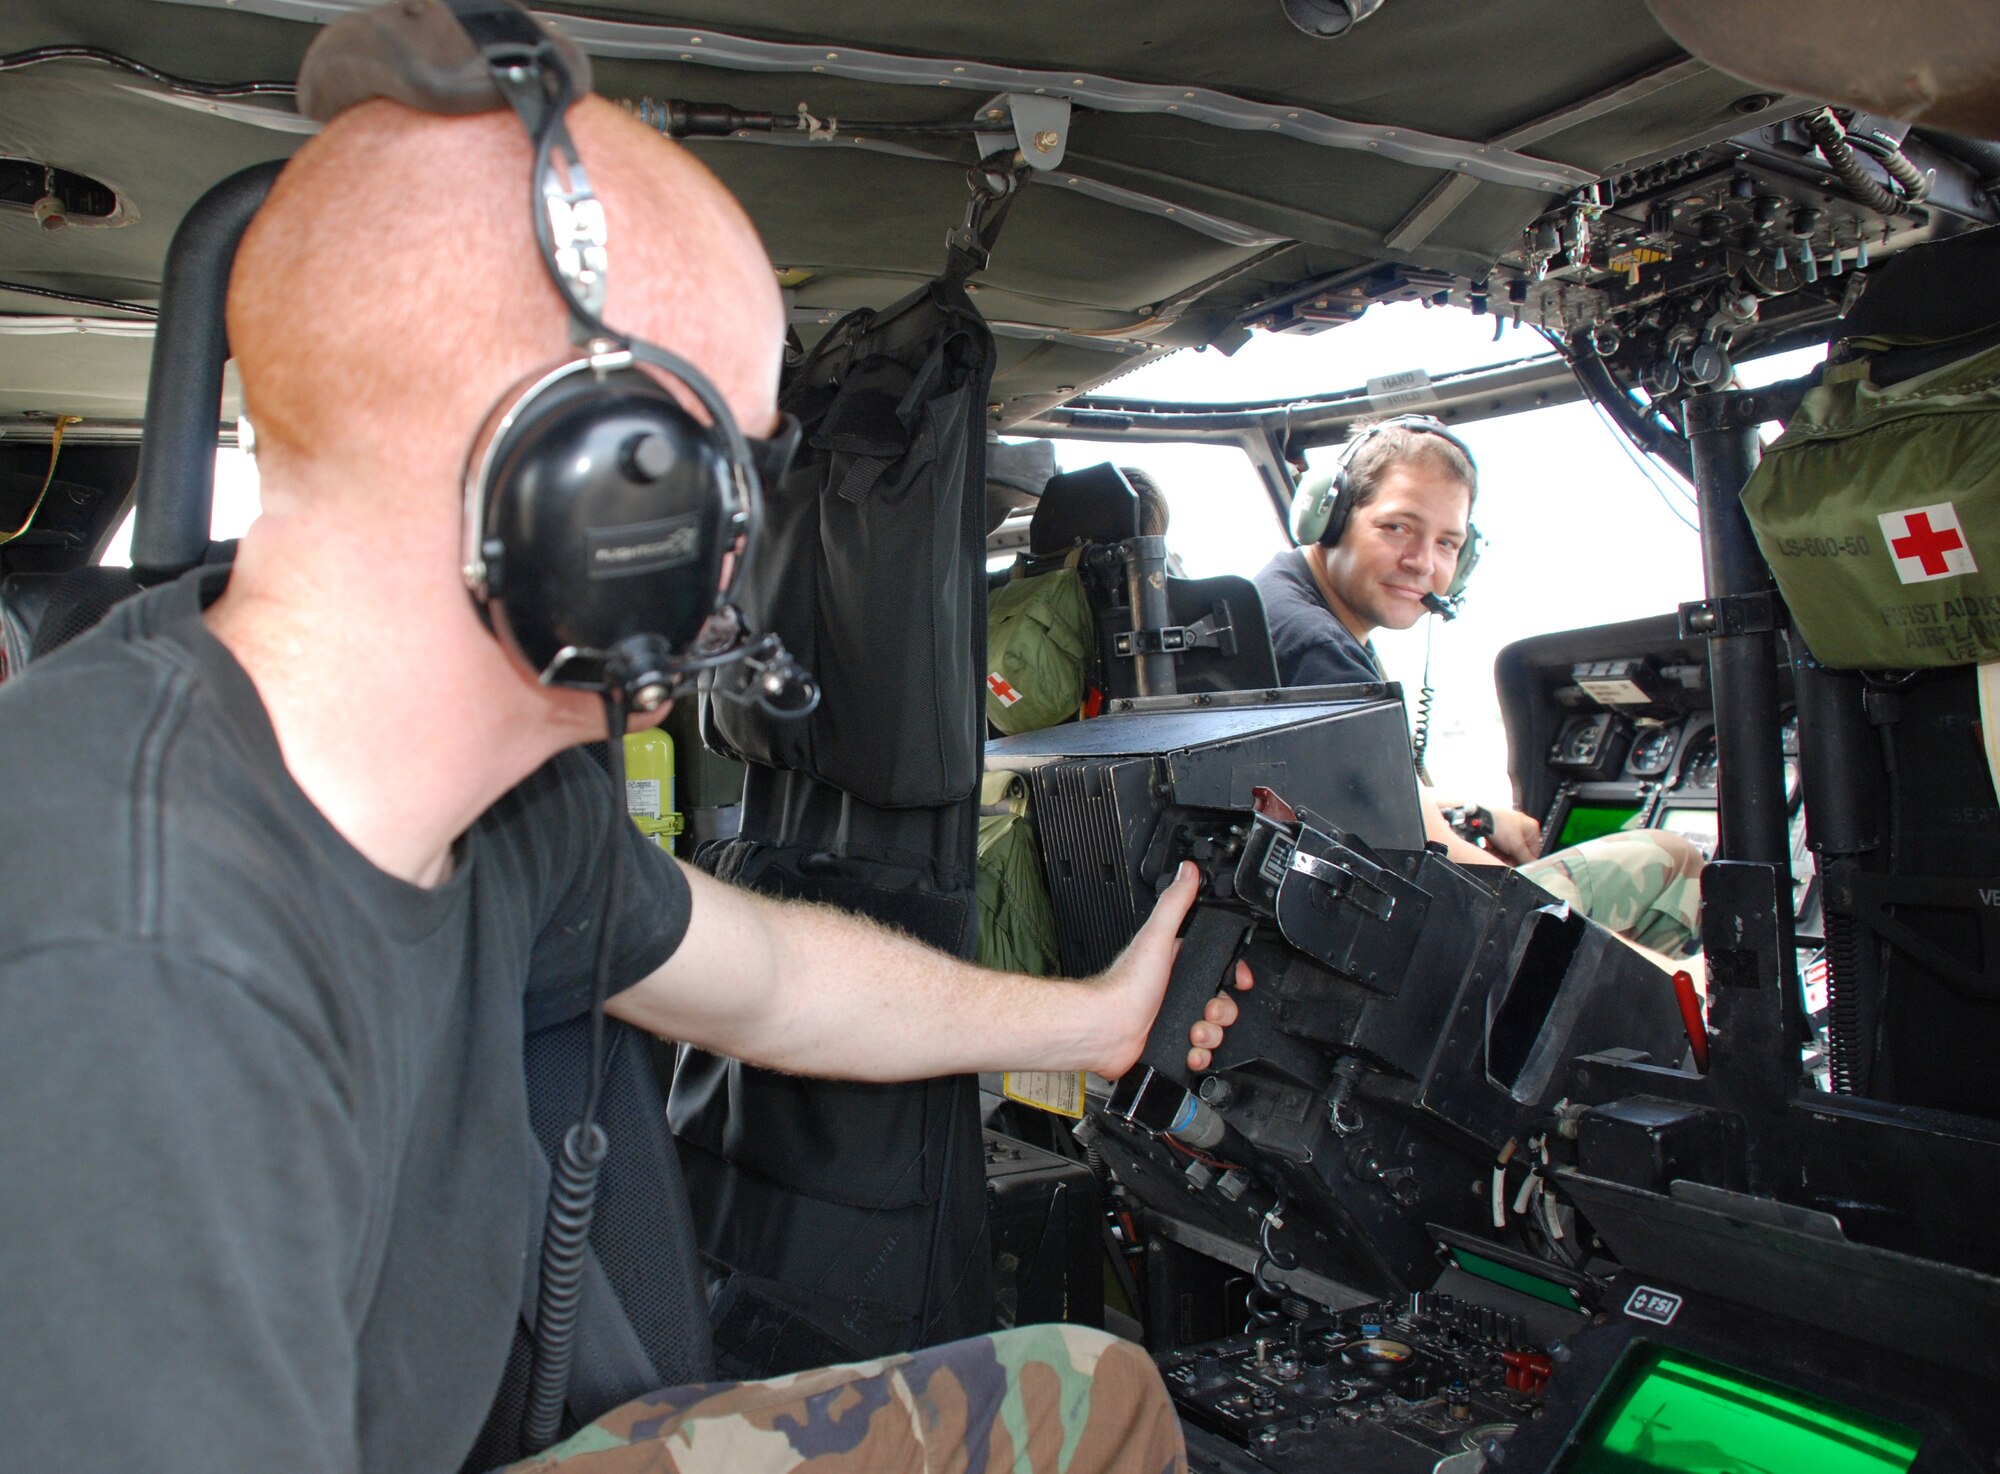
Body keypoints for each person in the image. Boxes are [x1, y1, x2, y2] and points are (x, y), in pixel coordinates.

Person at [0, 11, 1251, 1472]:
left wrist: (1089, 1022)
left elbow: (775, 980)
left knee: (1097, 1394)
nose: (746, 542)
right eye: (737, 466)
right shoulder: (133, 962)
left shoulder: (497, 805)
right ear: (593, 490)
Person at [1254, 419, 1702, 961]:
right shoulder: (1314, 648)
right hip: (1388, 942)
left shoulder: (1277, 607)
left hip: (1329, 917)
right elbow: (1435, 864)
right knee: (1672, 860)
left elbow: (1359, 792)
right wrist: (1654, 970)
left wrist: (1482, 814)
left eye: (1447, 543)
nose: (1423, 563)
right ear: (1329, 517)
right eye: (1397, 527)